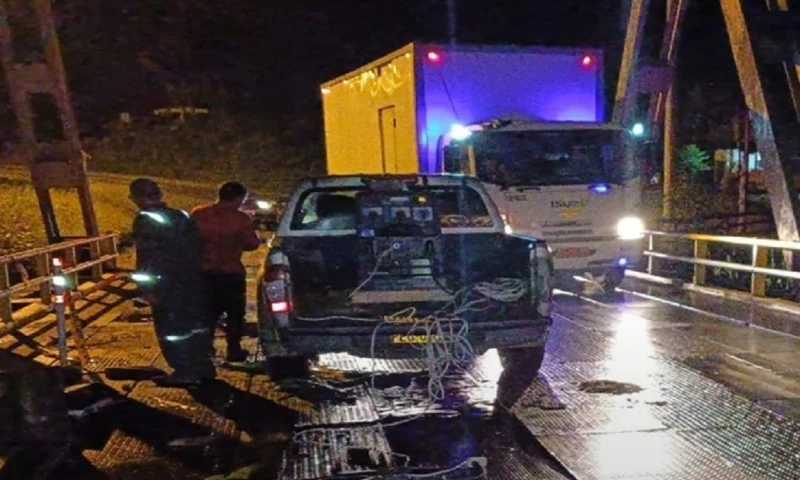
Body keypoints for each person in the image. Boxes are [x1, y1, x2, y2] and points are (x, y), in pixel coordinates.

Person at [128, 178, 216, 387]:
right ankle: (204, 367)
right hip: (193, 281)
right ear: (160, 194)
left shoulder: (145, 219)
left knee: (173, 330)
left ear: (135, 198)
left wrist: (146, 288)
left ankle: (184, 371)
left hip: (167, 285)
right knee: (196, 326)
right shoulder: (182, 215)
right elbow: (198, 247)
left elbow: (148, 257)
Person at [191, 181, 261, 362]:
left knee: (205, 314)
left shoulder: (199, 213)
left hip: (204, 273)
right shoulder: (240, 219)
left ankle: (205, 349)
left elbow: (188, 239)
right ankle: (234, 350)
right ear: (239, 198)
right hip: (231, 273)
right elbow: (252, 244)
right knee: (235, 315)